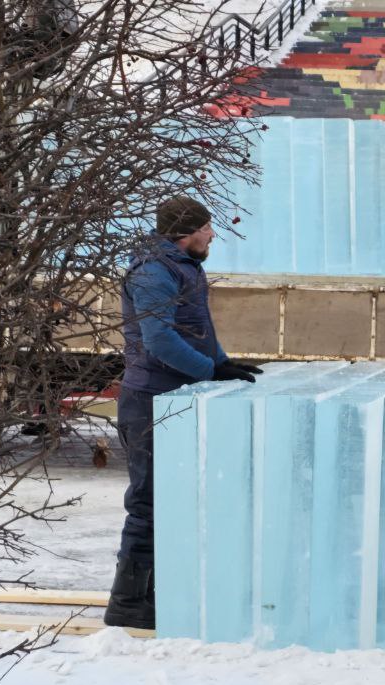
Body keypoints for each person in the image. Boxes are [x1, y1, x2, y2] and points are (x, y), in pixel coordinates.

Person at [104, 196, 264, 630]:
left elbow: (198, 331)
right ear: (186, 231)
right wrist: (210, 371)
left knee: (179, 501)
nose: (213, 234)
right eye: (207, 227)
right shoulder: (154, 272)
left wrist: (224, 365)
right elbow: (159, 341)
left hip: (176, 397)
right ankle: (130, 604)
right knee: (150, 502)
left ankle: (165, 593)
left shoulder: (184, 266)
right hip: (151, 400)